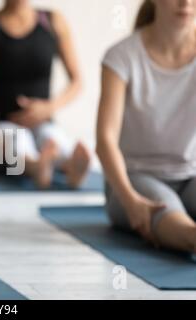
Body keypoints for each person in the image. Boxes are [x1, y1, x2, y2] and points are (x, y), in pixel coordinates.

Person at [96, 0, 196, 252]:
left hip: (190, 176)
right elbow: (105, 140)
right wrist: (130, 200)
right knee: (183, 229)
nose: (185, 3)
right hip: (133, 180)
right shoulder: (121, 56)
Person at [0, 0, 90, 188]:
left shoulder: (52, 21)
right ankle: (36, 167)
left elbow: (77, 81)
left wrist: (49, 108)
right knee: (18, 141)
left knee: (52, 137)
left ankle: (70, 167)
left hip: (42, 123)